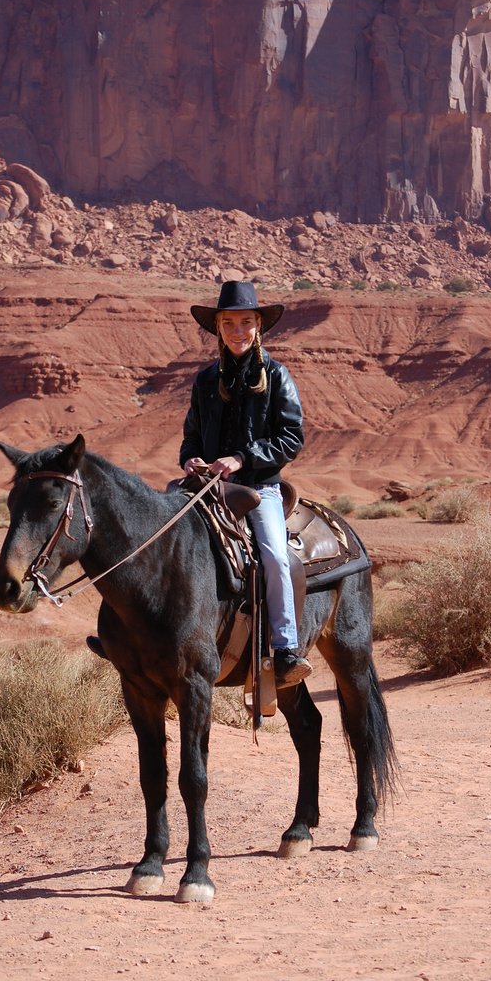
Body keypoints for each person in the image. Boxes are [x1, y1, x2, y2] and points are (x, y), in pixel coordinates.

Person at [181, 280, 312, 688]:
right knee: (153, 530)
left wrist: (242, 458)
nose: (238, 331)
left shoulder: (276, 376)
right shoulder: (204, 381)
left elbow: (292, 437)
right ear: (218, 327)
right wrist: (190, 459)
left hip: (258, 490)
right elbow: (190, 436)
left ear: (259, 326)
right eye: (229, 323)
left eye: (246, 322)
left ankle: (286, 649)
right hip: (205, 487)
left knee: (273, 556)